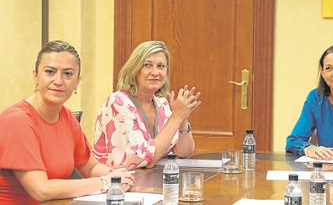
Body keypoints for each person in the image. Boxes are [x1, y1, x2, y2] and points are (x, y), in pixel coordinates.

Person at [0, 40, 135, 204]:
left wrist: (118, 176)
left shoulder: (67, 117)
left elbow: (90, 167)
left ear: (77, 81)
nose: (58, 80)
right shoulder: (17, 121)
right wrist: (106, 182)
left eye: (68, 74)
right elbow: (40, 190)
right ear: (35, 75)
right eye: (50, 72)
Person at [93, 41, 201, 169]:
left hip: (152, 181)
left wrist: (183, 119)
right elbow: (146, 159)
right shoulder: (118, 103)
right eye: (148, 65)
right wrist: (176, 116)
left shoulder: (162, 103)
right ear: (134, 69)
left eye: (161, 66)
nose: (155, 72)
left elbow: (184, 153)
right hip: (117, 184)